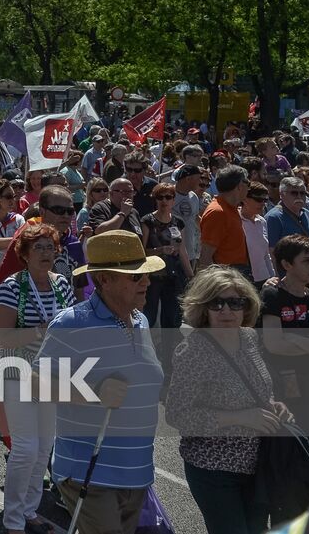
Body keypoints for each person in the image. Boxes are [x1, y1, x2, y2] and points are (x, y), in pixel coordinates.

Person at [37, 231, 165, 534]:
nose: (146, 282)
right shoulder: (73, 322)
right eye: (135, 277)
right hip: (90, 473)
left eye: (146, 274)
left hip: (136, 472)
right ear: (104, 280)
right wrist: (94, 393)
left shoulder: (141, 320)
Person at [165, 267, 284, 534]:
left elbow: (259, 386)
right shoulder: (193, 350)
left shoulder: (250, 338)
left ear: (247, 306)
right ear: (203, 308)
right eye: (216, 303)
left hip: (257, 464)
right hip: (213, 468)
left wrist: (272, 404)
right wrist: (240, 417)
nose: (226, 311)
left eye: (235, 302)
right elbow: (177, 415)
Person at [0, 223, 76, 534]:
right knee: (26, 447)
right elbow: (5, 337)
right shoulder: (11, 287)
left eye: (50, 247)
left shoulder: (62, 285)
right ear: (25, 255)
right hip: (18, 373)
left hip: (52, 375)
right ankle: (13, 519)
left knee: (45, 446)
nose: (45, 253)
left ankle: (29, 510)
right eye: (38, 247)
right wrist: (42, 331)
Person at [261, 235, 309, 480]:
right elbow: (274, 345)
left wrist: (293, 339)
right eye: (306, 261)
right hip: (279, 387)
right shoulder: (272, 296)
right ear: (286, 265)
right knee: (285, 451)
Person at [142, 182, 193, 329]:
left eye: (168, 197)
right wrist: (160, 249)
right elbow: (142, 251)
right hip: (153, 277)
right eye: (160, 197)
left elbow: (182, 250)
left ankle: (169, 350)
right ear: (155, 199)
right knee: (149, 318)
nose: (164, 201)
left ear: (173, 200)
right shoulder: (147, 221)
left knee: (172, 320)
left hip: (173, 275)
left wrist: (191, 276)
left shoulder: (178, 222)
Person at [200, 166, 251, 279]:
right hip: (226, 278)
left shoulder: (230, 208)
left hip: (236, 275)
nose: (249, 187)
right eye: (247, 182)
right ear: (239, 186)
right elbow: (205, 257)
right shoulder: (218, 212)